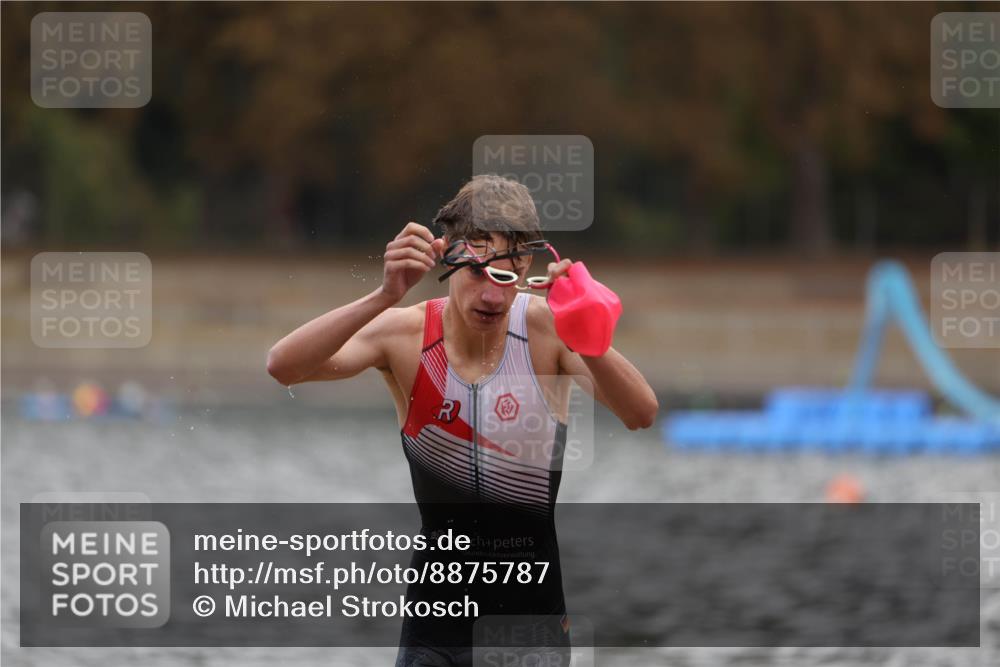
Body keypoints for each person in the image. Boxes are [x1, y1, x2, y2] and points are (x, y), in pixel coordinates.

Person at [267, 174, 658, 666]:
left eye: (507, 275)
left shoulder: (549, 332)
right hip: (436, 628)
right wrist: (384, 295)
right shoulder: (405, 335)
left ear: (528, 266)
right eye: (477, 273)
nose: (492, 297)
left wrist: (585, 333)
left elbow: (641, 413)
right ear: (447, 256)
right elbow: (283, 365)